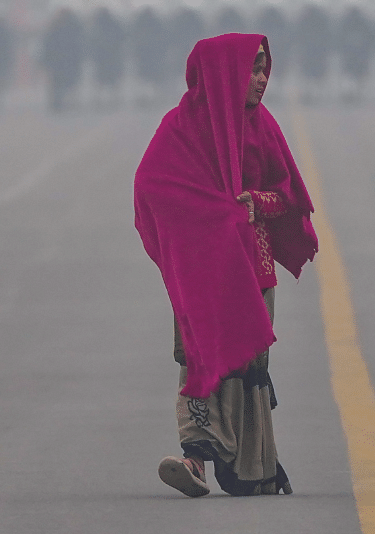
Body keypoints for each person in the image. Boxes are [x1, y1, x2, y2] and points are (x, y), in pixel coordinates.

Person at [134, 33, 317, 497]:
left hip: (251, 266)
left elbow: (288, 195)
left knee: (246, 362)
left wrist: (254, 202)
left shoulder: (262, 126)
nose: (261, 80)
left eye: (264, 70)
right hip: (200, 266)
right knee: (198, 354)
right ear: (223, 75)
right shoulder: (181, 127)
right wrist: (206, 216)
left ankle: (252, 464)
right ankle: (194, 459)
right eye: (252, 71)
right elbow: (152, 186)